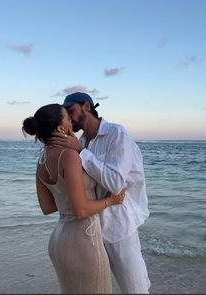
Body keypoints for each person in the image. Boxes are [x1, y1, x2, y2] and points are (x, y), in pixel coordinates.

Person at [49, 92, 151, 294]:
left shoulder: (116, 134)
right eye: (66, 115)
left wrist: (80, 152)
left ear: (86, 106)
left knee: (135, 289)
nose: (69, 118)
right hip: (90, 231)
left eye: (71, 111)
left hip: (119, 227)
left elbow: (115, 182)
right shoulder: (82, 142)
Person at [22, 103, 125, 294]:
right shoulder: (69, 156)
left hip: (59, 241)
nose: (72, 121)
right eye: (67, 119)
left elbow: (47, 207)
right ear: (61, 128)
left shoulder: (41, 160)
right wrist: (112, 200)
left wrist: (68, 199)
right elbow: (81, 211)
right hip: (84, 241)